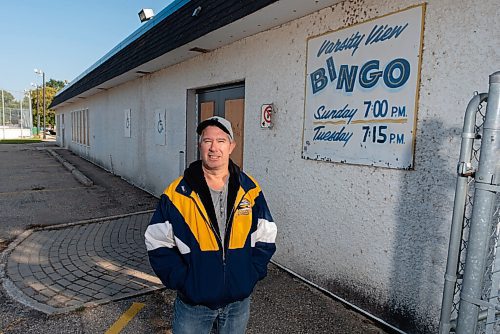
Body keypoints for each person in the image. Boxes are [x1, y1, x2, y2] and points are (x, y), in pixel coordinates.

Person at [145, 116, 277, 334]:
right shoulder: (177, 193)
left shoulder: (250, 190)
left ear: (232, 146)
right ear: (200, 146)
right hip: (194, 306)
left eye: (221, 141)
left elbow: (267, 235)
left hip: (238, 304)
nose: (214, 147)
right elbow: (156, 241)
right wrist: (185, 281)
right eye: (207, 141)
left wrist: (251, 274)